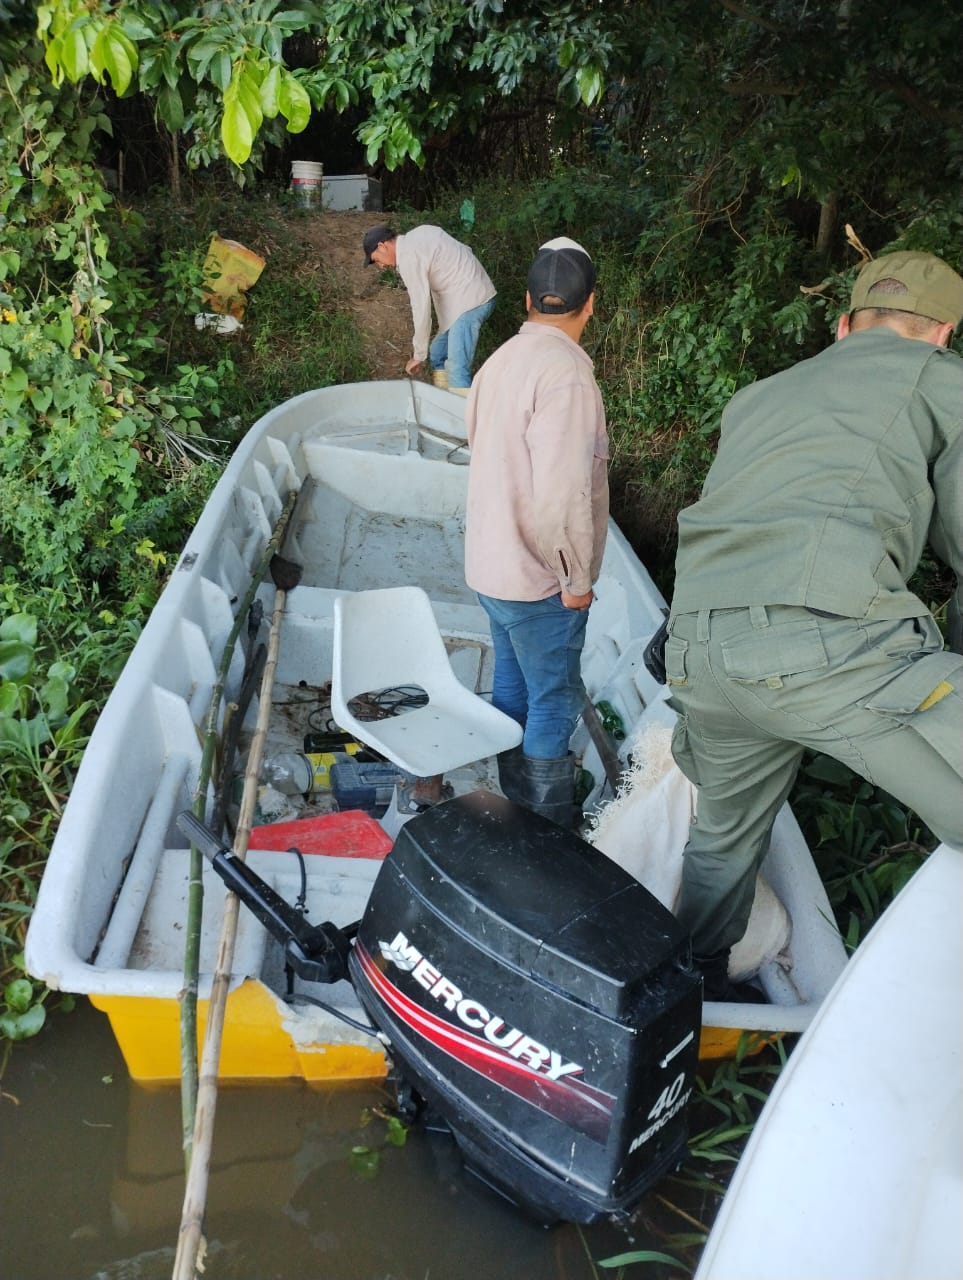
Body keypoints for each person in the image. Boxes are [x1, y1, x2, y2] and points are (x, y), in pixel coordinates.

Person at [663, 250, 963, 1000]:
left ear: (843, 327)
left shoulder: (757, 397)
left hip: (696, 650)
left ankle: (683, 992)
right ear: (943, 334)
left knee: (721, 843)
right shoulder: (941, 382)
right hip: (823, 648)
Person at [464, 238, 608, 825]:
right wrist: (576, 580)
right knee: (553, 700)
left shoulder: (498, 361)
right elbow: (563, 496)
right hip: (537, 579)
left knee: (512, 686)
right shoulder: (567, 376)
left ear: (527, 300)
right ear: (590, 304)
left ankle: (511, 812)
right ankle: (548, 829)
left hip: (490, 568)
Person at [362, 223, 496, 395]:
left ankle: (458, 410)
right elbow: (463, 249)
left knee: (456, 367)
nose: (381, 266)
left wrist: (418, 354)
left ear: (382, 246)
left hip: (470, 301)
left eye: (377, 260)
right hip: (467, 296)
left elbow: (420, 307)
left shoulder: (408, 257)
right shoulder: (416, 237)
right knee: (438, 353)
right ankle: (444, 400)